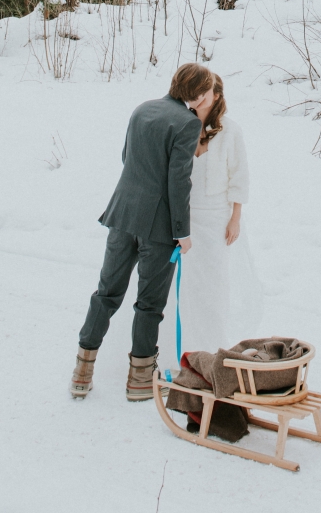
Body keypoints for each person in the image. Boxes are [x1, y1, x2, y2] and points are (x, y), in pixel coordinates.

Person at [70, 63, 213, 402]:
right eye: (205, 89)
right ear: (197, 92)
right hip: (158, 226)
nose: (208, 95)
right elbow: (179, 181)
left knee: (106, 294)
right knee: (149, 304)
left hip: (122, 214)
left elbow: (127, 157)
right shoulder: (188, 122)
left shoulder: (142, 109)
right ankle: (138, 380)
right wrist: (183, 231)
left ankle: (81, 371)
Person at [173, 72, 261, 365]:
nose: (197, 98)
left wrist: (235, 218)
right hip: (186, 218)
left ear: (217, 95)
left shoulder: (230, 130)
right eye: (194, 93)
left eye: (204, 93)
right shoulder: (183, 124)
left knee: (215, 285)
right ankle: (185, 350)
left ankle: (214, 349)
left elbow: (240, 176)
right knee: (186, 288)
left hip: (217, 219)